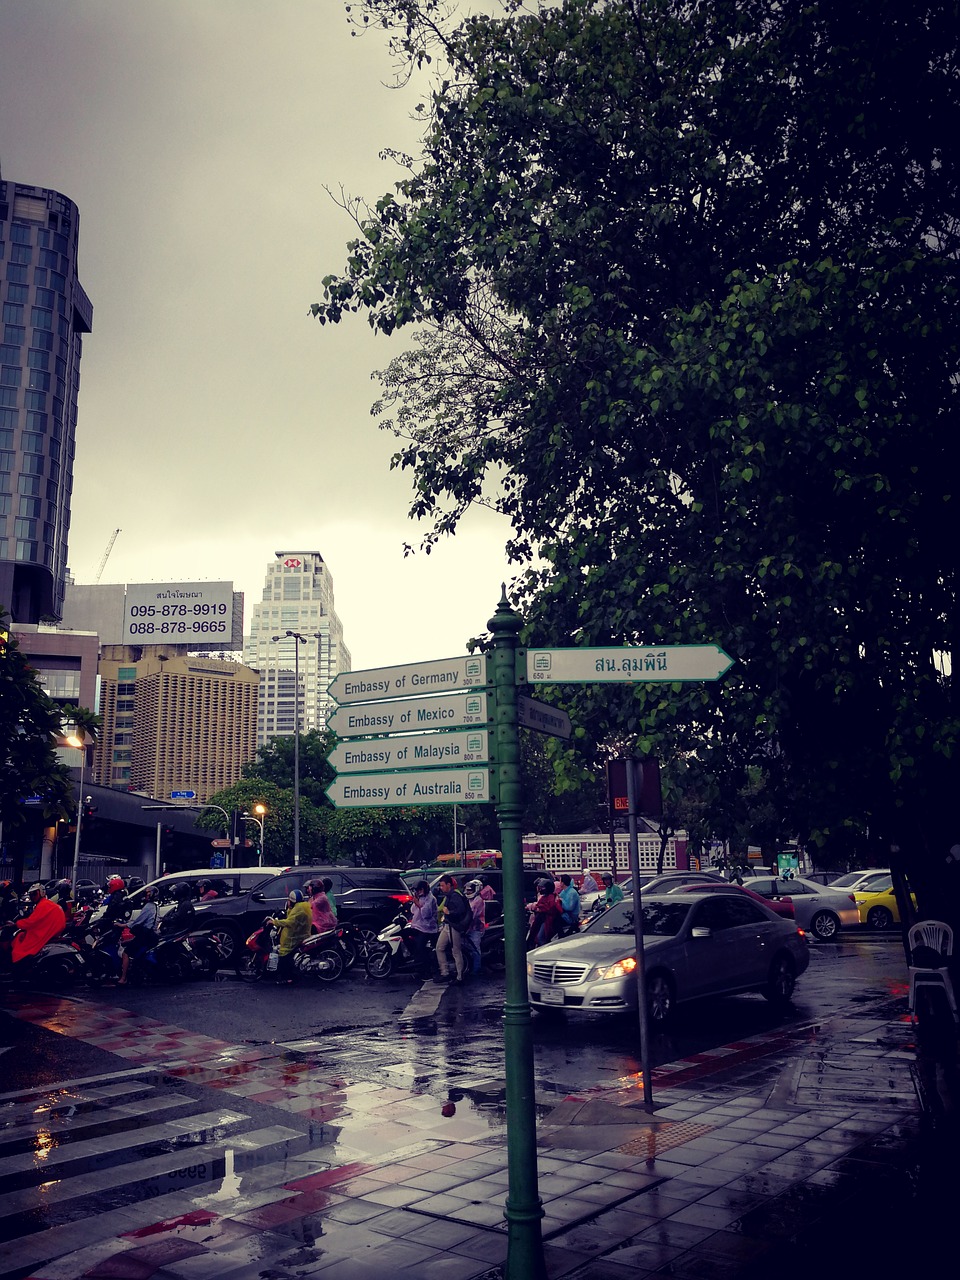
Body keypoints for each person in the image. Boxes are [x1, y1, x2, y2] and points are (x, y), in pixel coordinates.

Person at [9, 884, 66, 968]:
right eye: (31, 894)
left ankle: (19, 964)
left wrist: (16, 924)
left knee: (20, 943)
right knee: (22, 935)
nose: (32, 896)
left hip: (47, 930)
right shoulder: (45, 903)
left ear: (41, 893)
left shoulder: (43, 905)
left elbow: (31, 922)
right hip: (50, 929)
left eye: (35, 894)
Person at [267, 889, 313, 984]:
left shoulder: (299, 910)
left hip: (295, 937)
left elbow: (290, 922)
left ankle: (288, 977)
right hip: (296, 934)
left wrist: (275, 922)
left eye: (289, 900)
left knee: (284, 956)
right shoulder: (300, 907)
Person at [118, 885, 161, 985]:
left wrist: (122, 925)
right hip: (151, 935)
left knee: (126, 953)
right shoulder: (156, 906)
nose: (146, 895)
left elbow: (138, 922)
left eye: (148, 893)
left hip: (145, 936)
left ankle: (123, 978)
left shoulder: (148, 907)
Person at [435, 874, 471, 984]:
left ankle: (459, 976)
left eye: (442, 885)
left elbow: (460, 911)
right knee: (439, 947)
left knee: (456, 950)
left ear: (448, 885)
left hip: (454, 926)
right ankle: (445, 972)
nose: (441, 888)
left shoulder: (455, 896)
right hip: (447, 925)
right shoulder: (449, 896)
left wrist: (449, 913)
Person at [407, 880, 438, 977]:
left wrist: (418, 904)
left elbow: (426, 914)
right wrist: (416, 902)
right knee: (404, 934)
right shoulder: (419, 897)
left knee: (420, 947)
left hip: (427, 928)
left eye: (419, 890)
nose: (417, 892)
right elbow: (413, 910)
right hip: (417, 925)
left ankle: (425, 971)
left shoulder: (430, 899)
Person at [526, 877, 563, 948]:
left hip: (548, 920)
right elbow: (538, 905)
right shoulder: (544, 897)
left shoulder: (552, 897)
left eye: (542, 888)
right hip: (542, 919)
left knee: (540, 937)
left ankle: (545, 950)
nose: (540, 890)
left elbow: (548, 908)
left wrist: (539, 909)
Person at [462, 880, 486, 975]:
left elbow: (472, 915)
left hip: (476, 929)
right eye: (467, 890)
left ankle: (477, 969)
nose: (468, 892)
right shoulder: (469, 900)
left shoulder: (478, 900)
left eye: (470, 890)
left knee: (475, 949)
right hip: (468, 928)